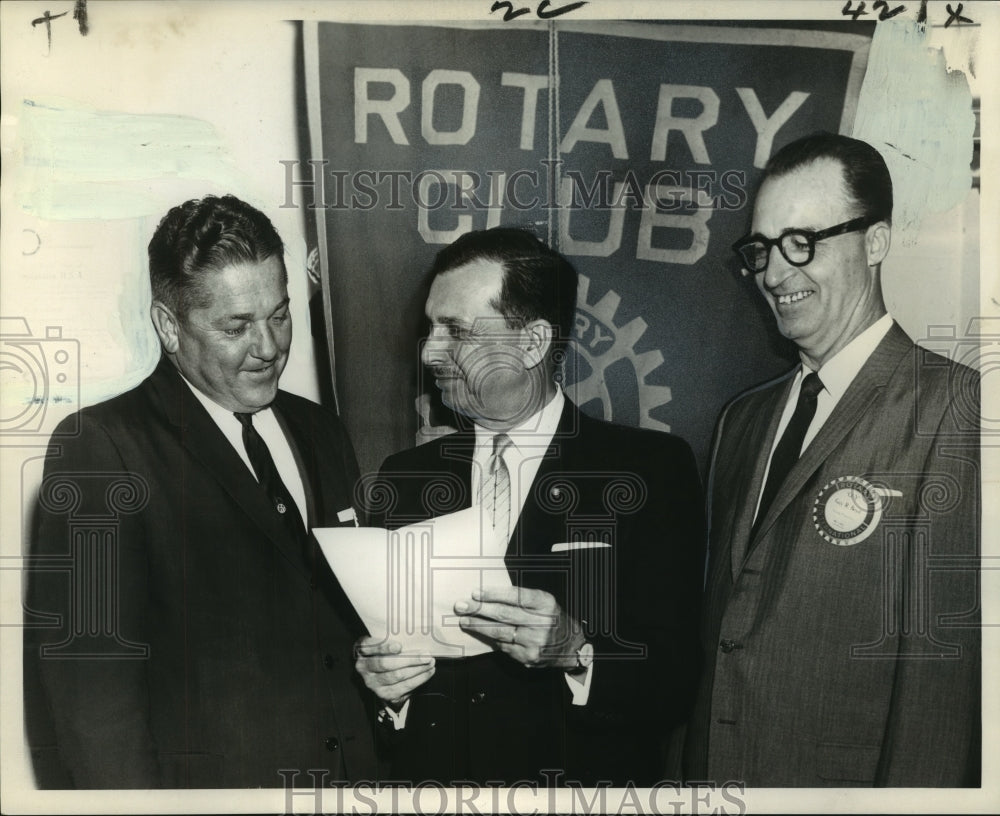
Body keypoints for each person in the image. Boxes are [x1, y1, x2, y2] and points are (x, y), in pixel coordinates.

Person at [23, 194, 377, 788]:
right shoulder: (101, 449)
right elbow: (93, 704)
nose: (269, 346)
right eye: (237, 326)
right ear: (168, 325)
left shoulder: (321, 430)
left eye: (281, 314)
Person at [354, 227, 705, 786]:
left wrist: (576, 651)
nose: (429, 351)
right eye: (430, 328)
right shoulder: (404, 479)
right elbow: (385, 684)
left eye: (455, 331)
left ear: (534, 343)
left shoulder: (648, 470)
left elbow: (675, 683)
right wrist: (385, 689)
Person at [683, 133, 980, 786]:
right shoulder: (743, 419)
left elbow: (942, 692)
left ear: (875, 243)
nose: (774, 273)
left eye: (803, 242)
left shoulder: (957, 409)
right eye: (762, 249)